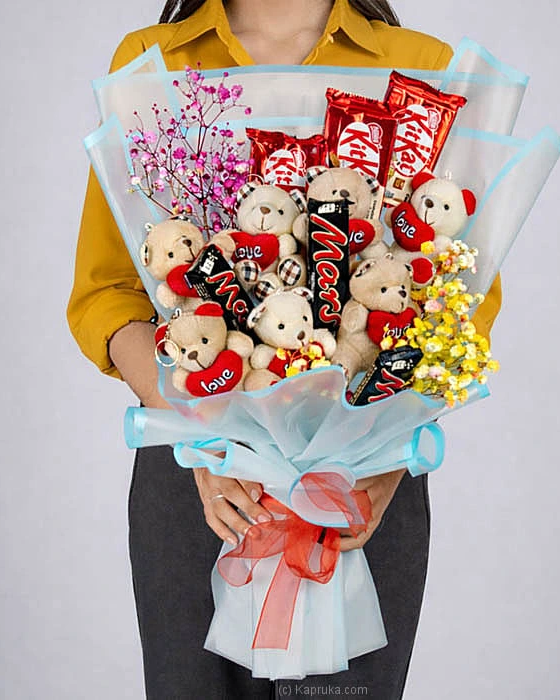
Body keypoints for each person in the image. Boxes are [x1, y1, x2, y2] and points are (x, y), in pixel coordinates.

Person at [67, 1, 502, 697]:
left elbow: (461, 300)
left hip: (364, 484)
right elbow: (109, 291)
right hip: (200, 481)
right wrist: (200, 438)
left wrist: (387, 459)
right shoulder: (155, 62)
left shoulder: (423, 66)